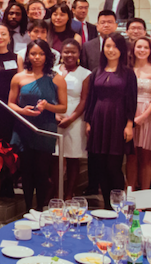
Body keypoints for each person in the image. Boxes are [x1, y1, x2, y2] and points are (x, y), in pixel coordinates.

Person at [8, 39, 68, 210]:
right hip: (24, 128)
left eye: (41, 54)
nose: (37, 57)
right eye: (33, 54)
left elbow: (64, 106)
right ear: (28, 55)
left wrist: (47, 106)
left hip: (46, 128)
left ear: (47, 56)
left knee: (42, 171)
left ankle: (41, 208)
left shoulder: (56, 79)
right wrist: (23, 111)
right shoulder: (18, 77)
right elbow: (10, 103)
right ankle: (28, 209)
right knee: (26, 171)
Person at [84, 33, 137, 209]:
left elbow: (131, 99)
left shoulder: (128, 74)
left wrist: (129, 125)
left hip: (118, 120)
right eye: (107, 46)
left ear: (121, 49)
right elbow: (91, 98)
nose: (111, 50)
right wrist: (88, 121)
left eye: (115, 46)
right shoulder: (96, 72)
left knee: (114, 166)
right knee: (99, 166)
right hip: (99, 120)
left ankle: (118, 206)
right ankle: (106, 206)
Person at [54, 39, 90, 199]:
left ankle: (69, 194)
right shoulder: (52, 71)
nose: (69, 55)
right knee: (55, 158)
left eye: (73, 52)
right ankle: (56, 193)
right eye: (66, 51)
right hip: (54, 116)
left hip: (75, 118)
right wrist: (54, 114)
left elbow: (84, 99)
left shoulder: (85, 73)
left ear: (78, 54)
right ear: (61, 53)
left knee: (73, 157)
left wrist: (72, 118)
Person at [129, 36, 151, 191]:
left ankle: (145, 195)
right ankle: (130, 193)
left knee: (146, 159)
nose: (142, 50)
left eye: (145, 47)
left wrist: (144, 116)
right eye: (139, 47)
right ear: (133, 49)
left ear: (150, 50)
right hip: (130, 112)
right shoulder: (128, 68)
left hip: (148, 113)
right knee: (131, 157)